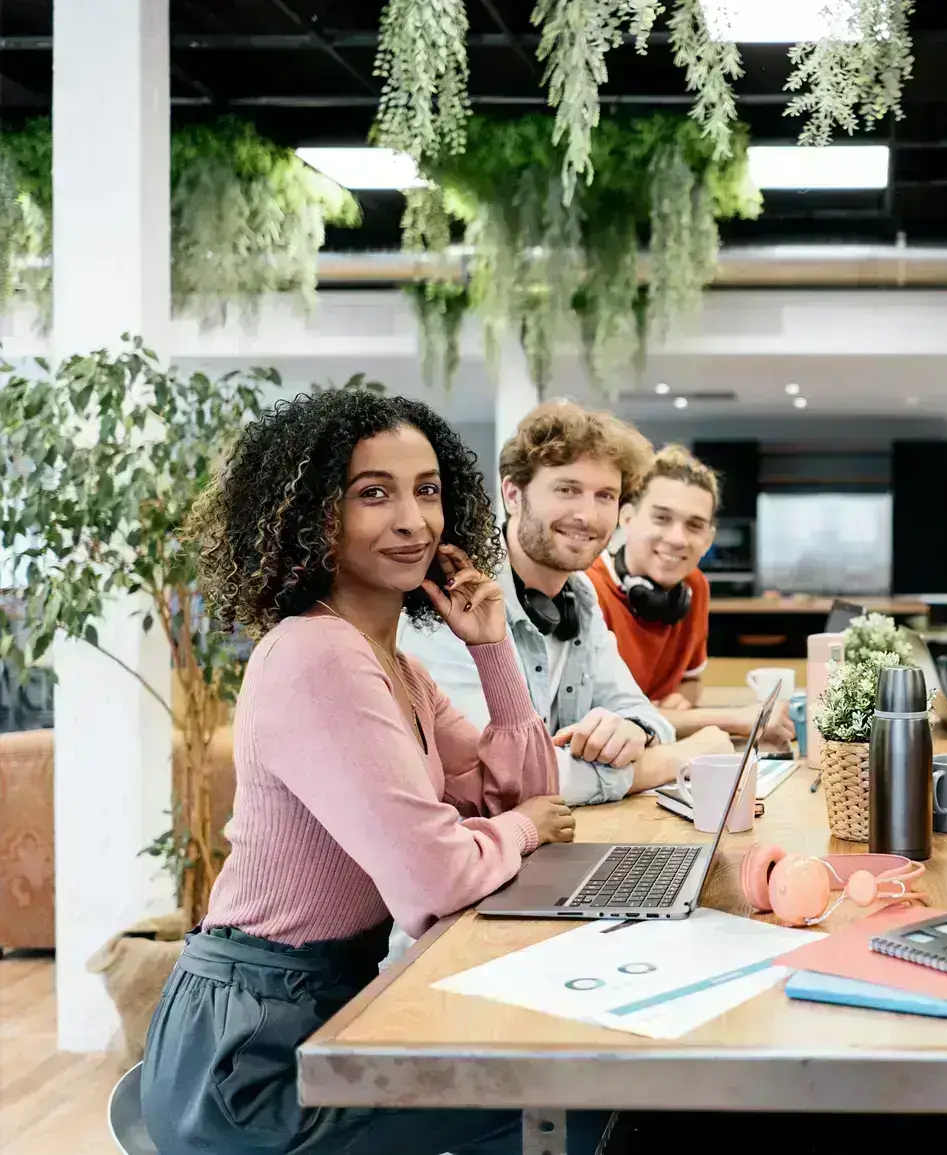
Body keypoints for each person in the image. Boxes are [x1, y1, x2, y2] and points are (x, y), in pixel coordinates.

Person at [142, 390, 607, 1154]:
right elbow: (439, 873)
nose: (412, 520)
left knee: (568, 1090)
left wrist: (493, 649)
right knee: (569, 1104)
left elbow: (524, 791)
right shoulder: (315, 655)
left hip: (322, 1009)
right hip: (250, 1055)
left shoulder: (399, 667)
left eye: (427, 490)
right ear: (311, 515)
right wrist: (519, 829)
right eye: (373, 494)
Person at [401, 401, 725, 805]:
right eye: (567, 490)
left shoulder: (580, 594)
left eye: (605, 495)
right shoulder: (453, 599)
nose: (588, 515)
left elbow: (642, 711)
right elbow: (498, 776)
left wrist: (634, 730)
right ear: (513, 494)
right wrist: (667, 761)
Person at [589, 444, 794, 746]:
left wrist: (670, 710)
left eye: (694, 525)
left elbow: (690, 683)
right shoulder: (588, 589)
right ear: (627, 518)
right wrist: (738, 719)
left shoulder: (694, 585)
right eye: (661, 518)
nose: (677, 539)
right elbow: (601, 718)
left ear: (708, 538)